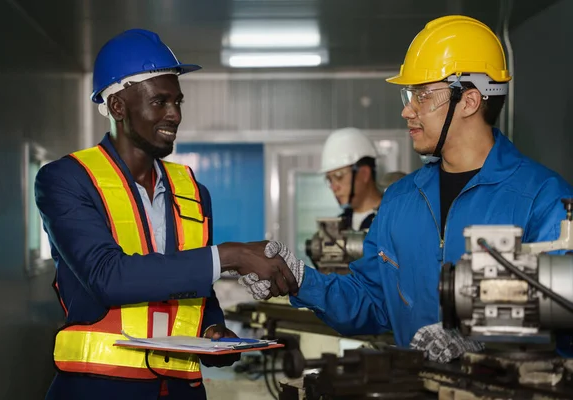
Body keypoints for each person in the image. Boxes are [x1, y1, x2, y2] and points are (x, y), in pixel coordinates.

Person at [243, 15, 573, 361]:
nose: (407, 110)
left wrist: (484, 342)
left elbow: (564, 317)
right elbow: (371, 301)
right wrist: (298, 279)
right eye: (409, 94)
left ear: (470, 101)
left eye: (423, 96)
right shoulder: (401, 200)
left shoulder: (543, 199)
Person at [35, 29, 296, 400]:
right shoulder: (66, 180)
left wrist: (212, 330)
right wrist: (232, 255)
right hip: (96, 390)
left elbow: (194, 289)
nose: (174, 114)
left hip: (181, 391)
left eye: (178, 102)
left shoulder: (192, 192)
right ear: (117, 107)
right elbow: (108, 277)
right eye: (160, 102)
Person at [320, 127, 384, 230]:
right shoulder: (338, 227)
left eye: (339, 176)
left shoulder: (395, 220)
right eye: (329, 179)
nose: (333, 187)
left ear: (364, 174)